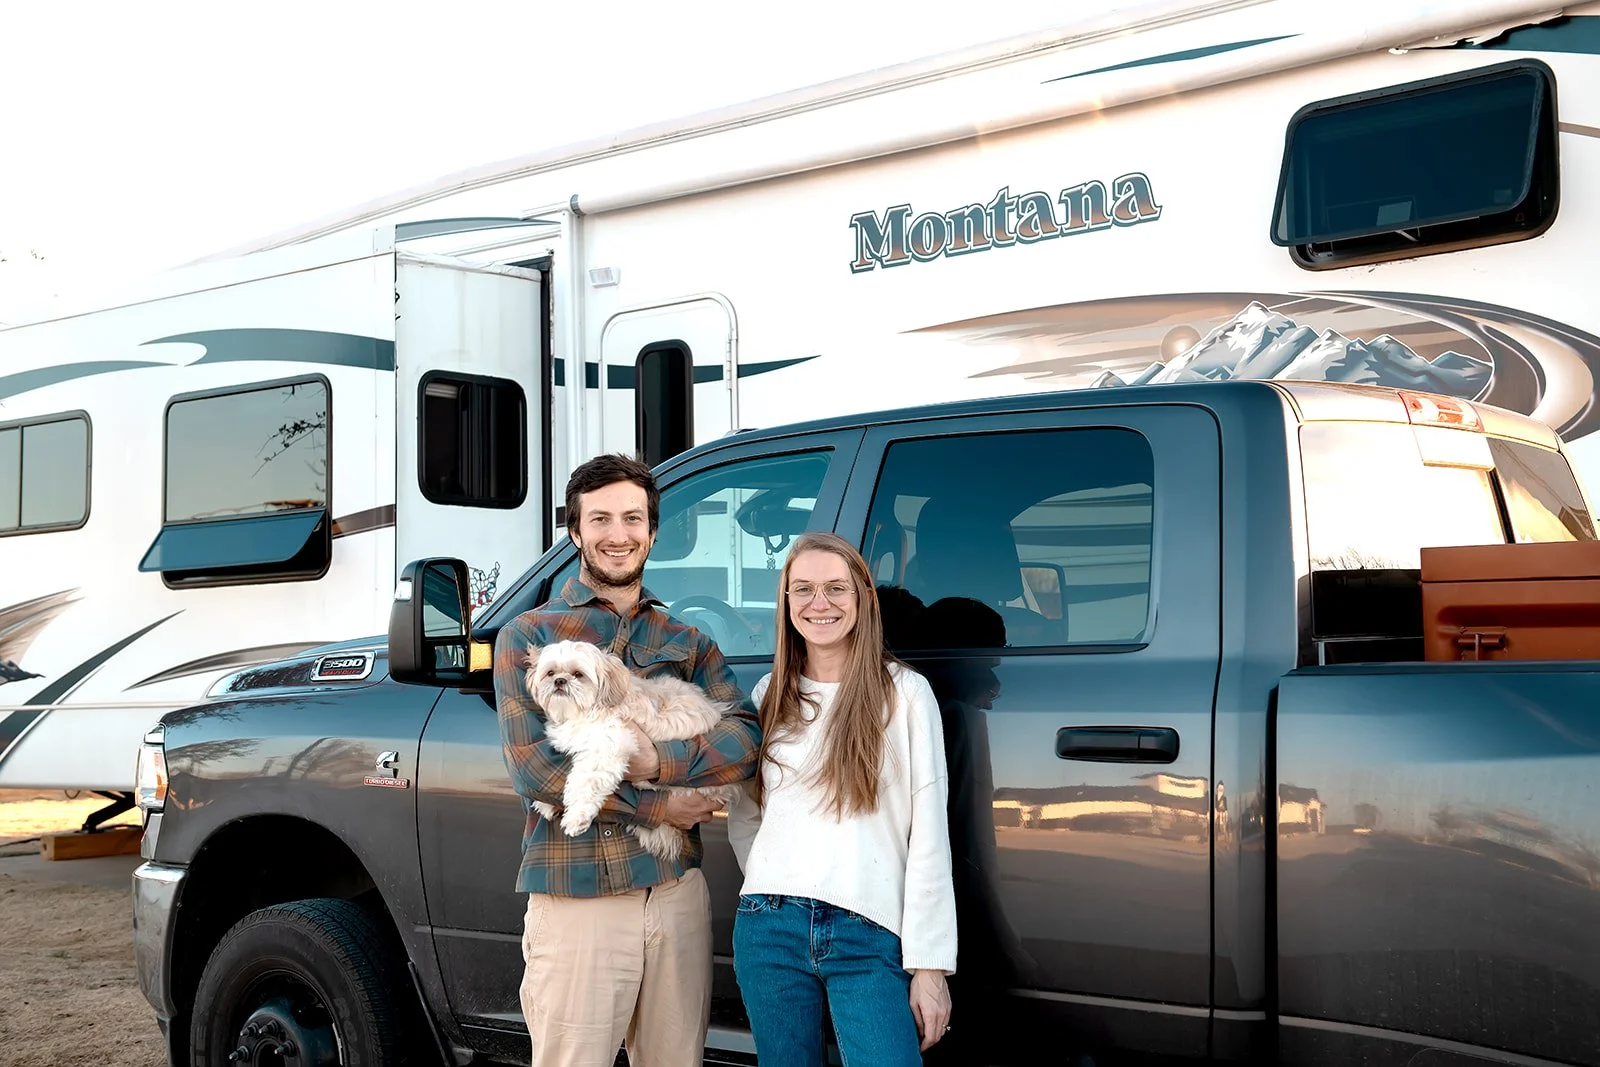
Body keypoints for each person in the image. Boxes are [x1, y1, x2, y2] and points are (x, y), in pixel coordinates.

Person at [494, 453, 761, 1067]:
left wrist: (657, 760)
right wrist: (663, 800)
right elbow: (535, 770)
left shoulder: (688, 641)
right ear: (575, 531)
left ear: (652, 531)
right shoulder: (527, 637)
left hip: (674, 894)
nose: (619, 534)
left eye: (633, 518)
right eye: (602, 519)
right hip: (578, 891)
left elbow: (745, 738)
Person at [727, 531, 957, 1066]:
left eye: (836, 588)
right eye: (802, 589)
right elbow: (746, 816)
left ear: (862, 600)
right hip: (769, 927)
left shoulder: (903, 694)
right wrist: (772, 877)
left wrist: (929, 967)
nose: (819, 603)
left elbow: (928, 834)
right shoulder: (769, 695)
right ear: (786, 603)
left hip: (869, 931)